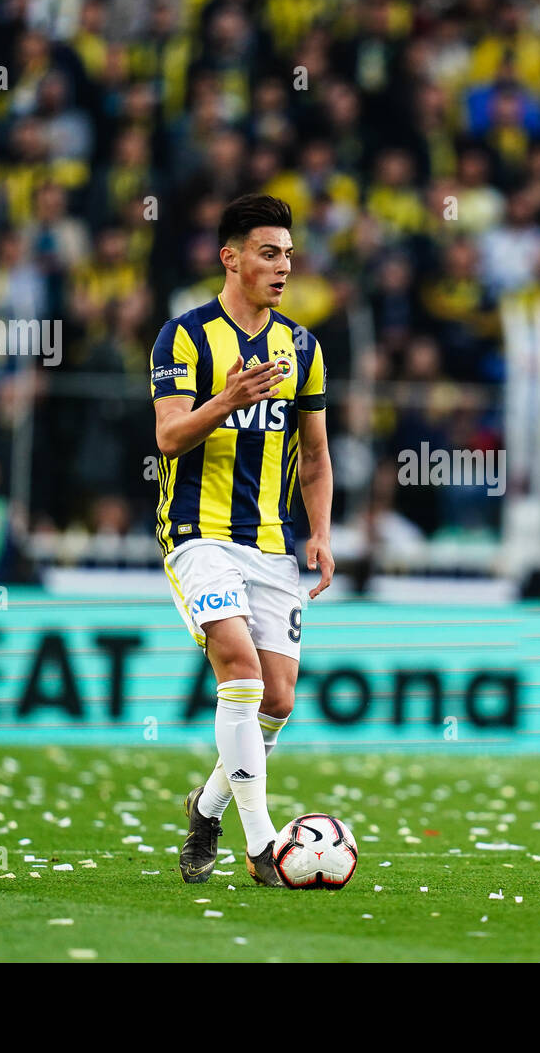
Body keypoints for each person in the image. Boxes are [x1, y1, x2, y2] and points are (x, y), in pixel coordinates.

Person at [150, 194, 334, 887]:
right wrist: (227, 399)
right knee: (240, 669)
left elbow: (314, 454)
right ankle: (264, 845)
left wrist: (319, 531)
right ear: (230, 258)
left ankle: (206, 807)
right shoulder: (184, 337)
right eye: (268, 252)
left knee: (278, 698)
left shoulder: (304, 347)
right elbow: (168, 437)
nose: (282, 266)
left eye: (287, 253)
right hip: (199, 536)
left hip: (271, 542)